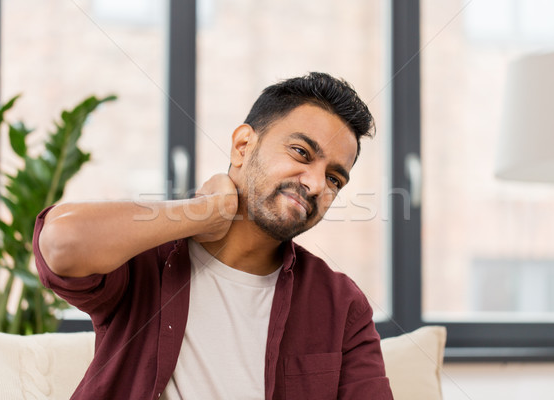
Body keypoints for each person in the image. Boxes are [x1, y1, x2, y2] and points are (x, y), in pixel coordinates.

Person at [33, 72, 394, 400]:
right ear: (242, 146)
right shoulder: (143, 260)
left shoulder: (342, 305)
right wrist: (207, 210)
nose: (315, 184)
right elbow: (61, 242)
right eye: (301, 152)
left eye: (334, 178)